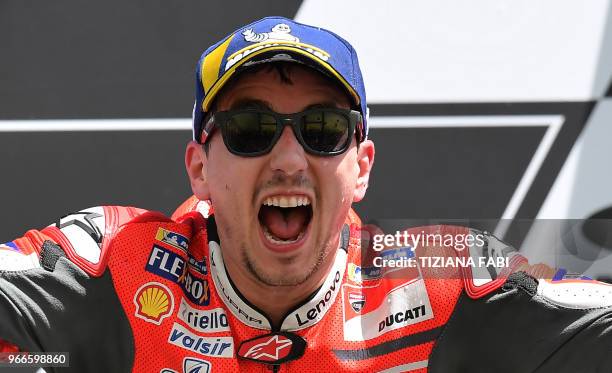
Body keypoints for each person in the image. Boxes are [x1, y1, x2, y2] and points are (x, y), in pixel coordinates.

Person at [1, 16, 611, 373]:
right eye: (249, 131)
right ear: (199, 168)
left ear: (362, 166)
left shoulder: (439, 283)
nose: (289, 160)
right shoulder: (118, 265)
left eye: (322, 131)